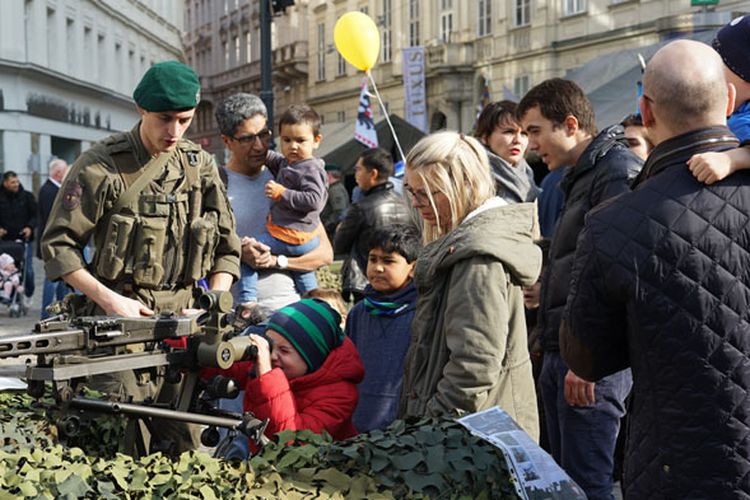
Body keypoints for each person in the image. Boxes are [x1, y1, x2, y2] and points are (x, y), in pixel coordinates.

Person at [561, 40, 750, 499]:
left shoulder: (612, 222)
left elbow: (586, 356)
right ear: (728, 100)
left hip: (674, 466)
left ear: (645, 112)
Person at [41, 60, 241, 455]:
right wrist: (110, 300)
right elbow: (57, 246)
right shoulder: (101, 166)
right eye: (164, 119)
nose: (175, 131)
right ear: (141, 110)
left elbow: (226, 248)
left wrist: (213, 304)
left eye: (184, 120)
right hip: (120, 331)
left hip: (185, 329)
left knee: (187, 455)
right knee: (116, 451)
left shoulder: (199, 166)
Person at [517, 78, 642, 500]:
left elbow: (616, 274)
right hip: (564, 354)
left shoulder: (615, 172)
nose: (531, 143)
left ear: (570, 124)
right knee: (565, 483)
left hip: (588, 366)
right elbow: (578, 261)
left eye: (535, 130)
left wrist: (588, 359)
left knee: (588, 485)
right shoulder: (580, 174)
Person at [398, 131, 540, 441]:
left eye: (427, 192)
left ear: (462, 185)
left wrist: (432, 428)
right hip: (475, 427)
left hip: (472, 436)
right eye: (411, 191)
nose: (416, 202)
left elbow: (474, 366)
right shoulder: (466, 245)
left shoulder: (476, 259)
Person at [214, 93, 333, 312]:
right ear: (227, 141)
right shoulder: (216, 185)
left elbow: (324, 253)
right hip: (242, 316)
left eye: (264, 135)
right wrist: (239, 251)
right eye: (247, 138)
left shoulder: (288, 175)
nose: (259, 146)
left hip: (294, 310)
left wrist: (277, 261)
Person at [205, 298, 364, 454]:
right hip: (265, 461)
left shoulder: (340, 396)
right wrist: (190, 347)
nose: (273, 355)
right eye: (270, 346)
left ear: (312, 356)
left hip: (312, 472)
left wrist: (267, 375)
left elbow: (291, 443)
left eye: (284, 350)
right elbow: (224, 366)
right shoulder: (279, 365)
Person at [346, 224, 420, 433]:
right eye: (373, 259)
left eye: (388, 261)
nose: (378, 268)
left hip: (402, 423)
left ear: (413, 268)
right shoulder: (359, 312)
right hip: (359, 418)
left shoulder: (421, 313)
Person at [334, 148, 415, 303]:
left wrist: (339, 229)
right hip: (403, 282)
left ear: (373, 174)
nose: (356, 175)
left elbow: (339, 245)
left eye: (358, 169)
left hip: (368, 285)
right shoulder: (408, 204)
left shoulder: (361, 208)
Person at [474, 100, 540, 203]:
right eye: (509, 132)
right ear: (485, 137)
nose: (518, 140)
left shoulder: (528, 177)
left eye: (524, 134)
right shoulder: (472, 177)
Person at [37, 159, 70, 318]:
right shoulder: (50, 191)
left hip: (55, 241)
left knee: (62, 278)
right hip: (53, 242)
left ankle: (61, 311)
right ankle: (46, 315)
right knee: (52, 278)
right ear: (58, 173)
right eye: (65, 172)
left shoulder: (50, 189)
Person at [0, 171, 37, 306]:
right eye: (12, 182)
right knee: (6, 271)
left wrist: (30, 227)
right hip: (5, 242)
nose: (16, 184)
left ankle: (28, 292)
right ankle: (10, 297)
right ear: (5, 183)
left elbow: (35, 215)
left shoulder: (27, 197)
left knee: (27, 271)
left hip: (23, 240)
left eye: (17, 181)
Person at [320, 165, 349, 242]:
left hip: (331, 232)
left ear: (328, 175)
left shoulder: (335, 190)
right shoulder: (335, 188)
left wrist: (325, 226)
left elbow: (339, 212)